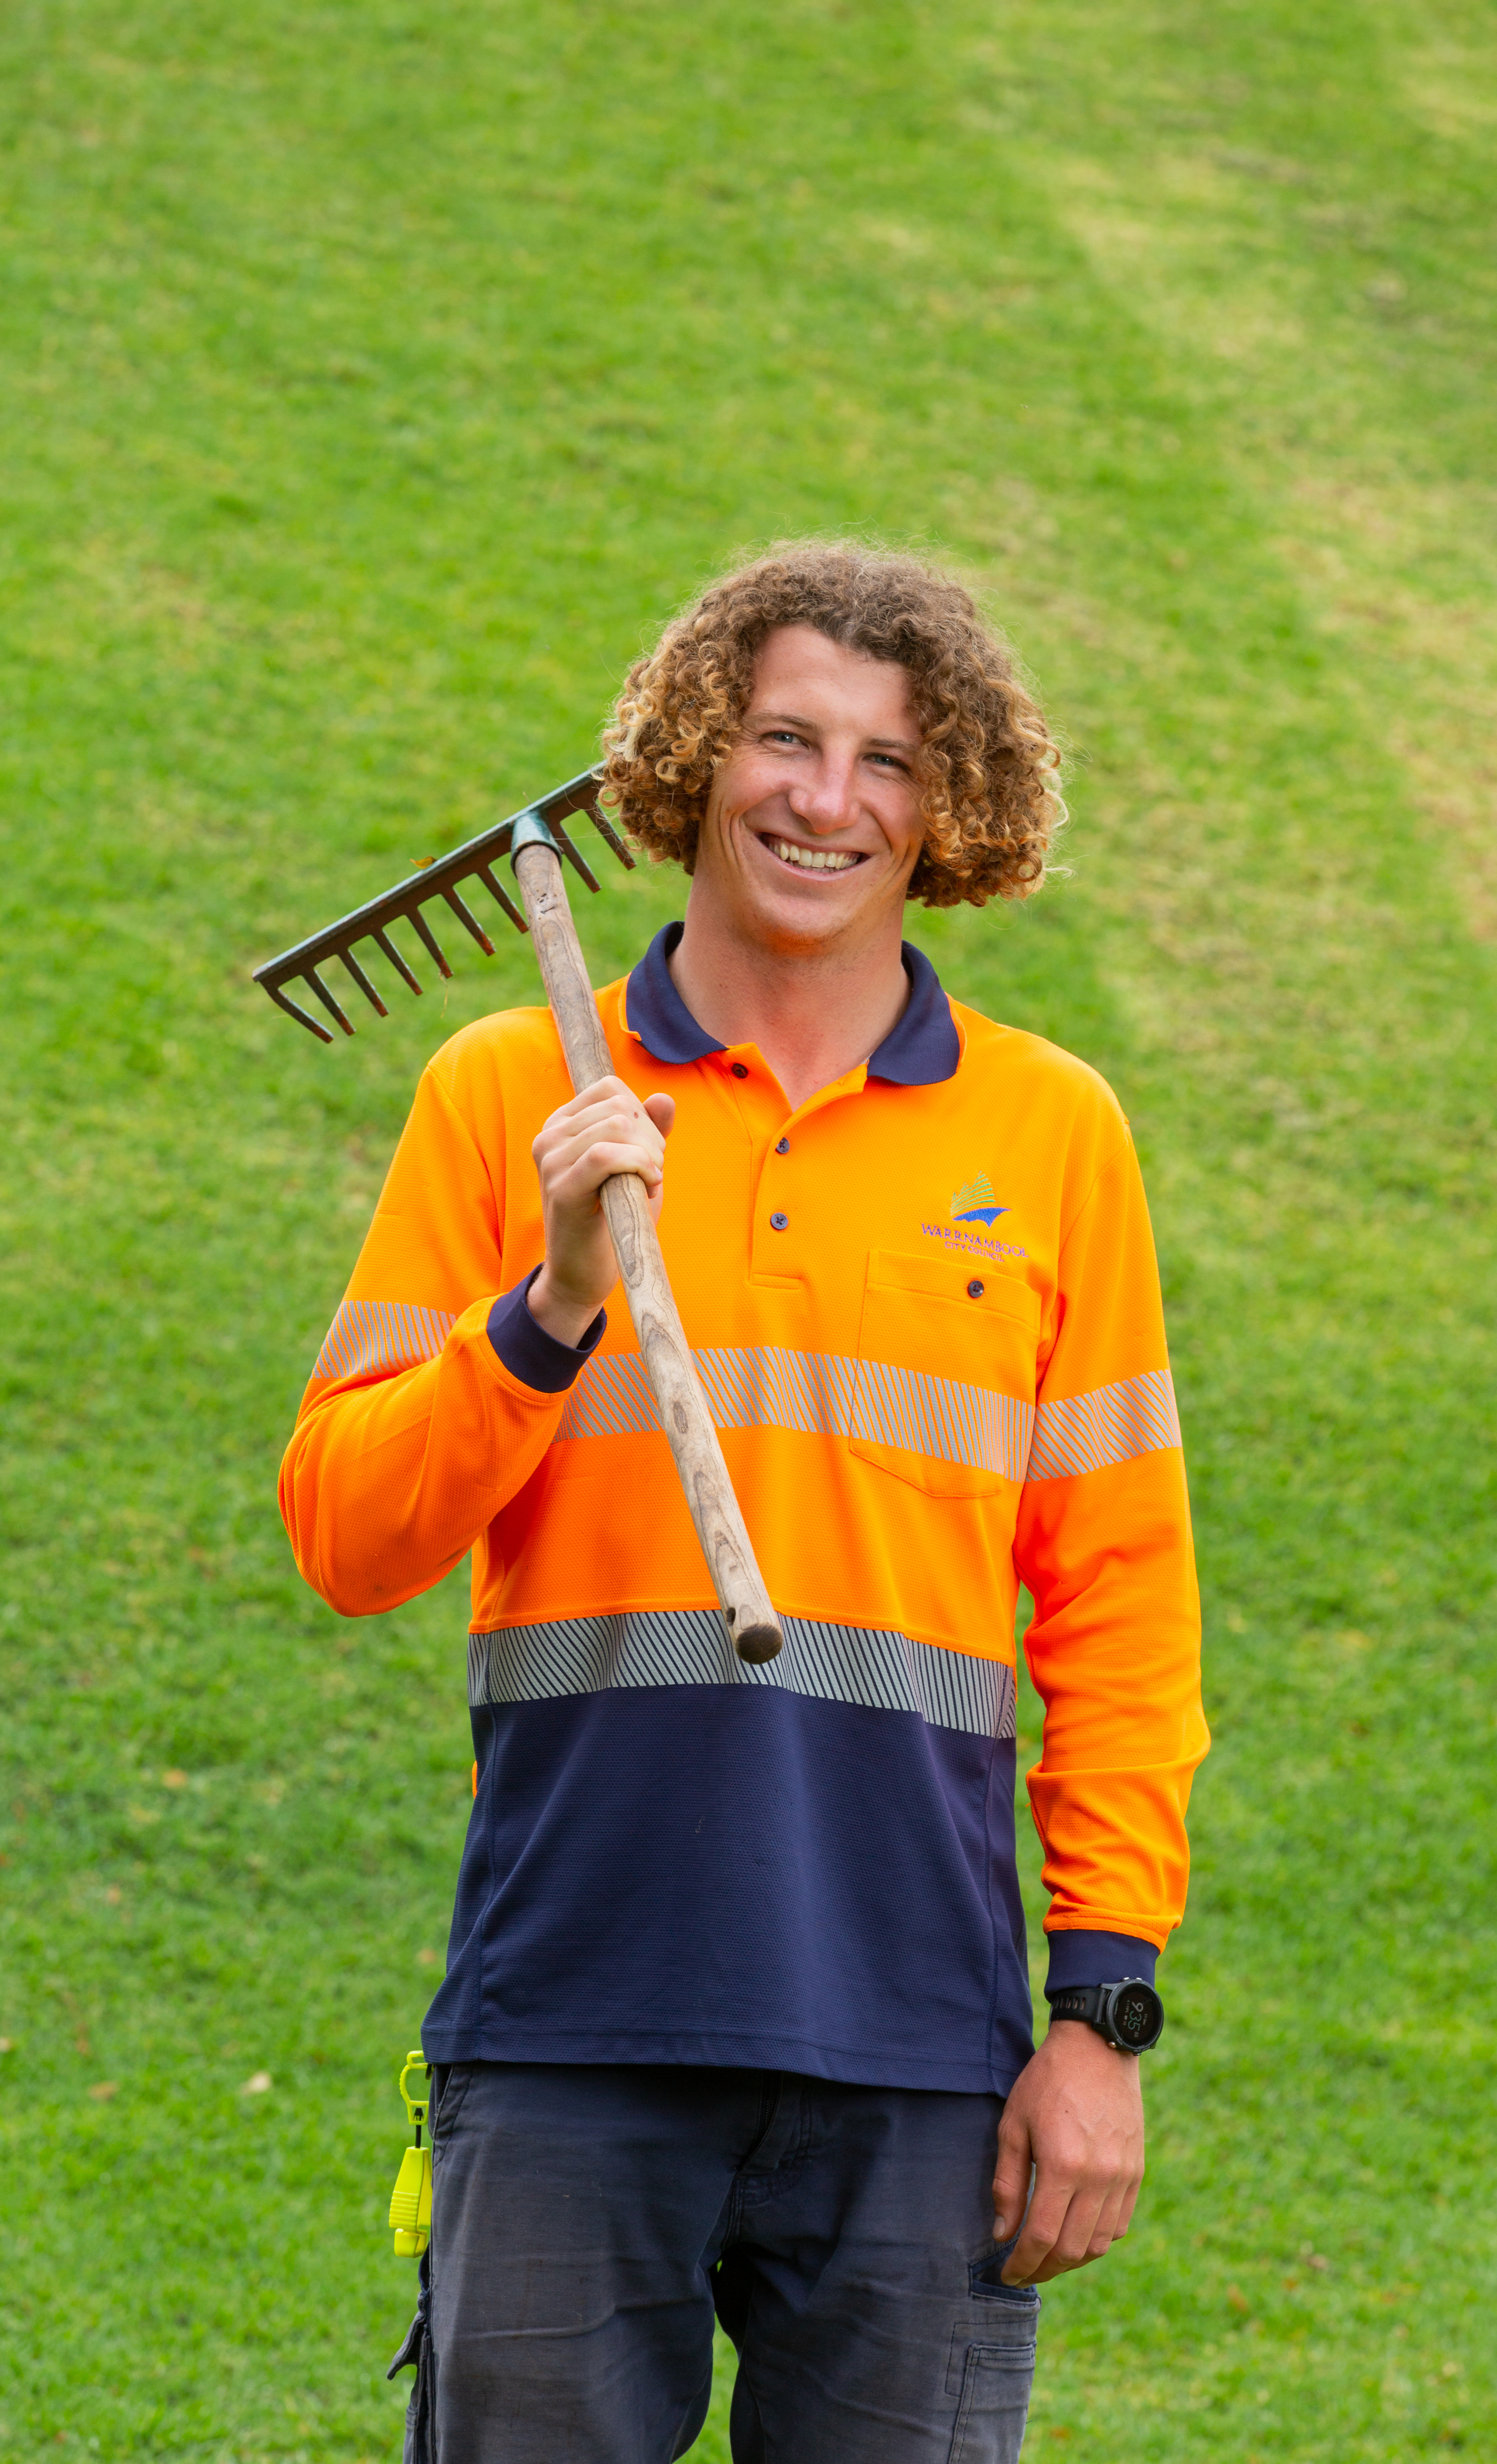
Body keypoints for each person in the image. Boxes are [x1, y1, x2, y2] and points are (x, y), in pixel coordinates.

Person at [280, 543, 1206, 2464]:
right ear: (699, 760)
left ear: (949, 812)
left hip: (919, 2043)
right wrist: (543, 1309)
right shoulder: (505, 1097)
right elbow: (349, 1537)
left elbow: (1121, 1609)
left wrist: (1098, 2016)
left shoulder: (1051, 1135)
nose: (825, 796)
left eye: (888, 759)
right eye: (785, 737)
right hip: (567, 2019)